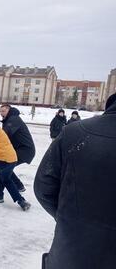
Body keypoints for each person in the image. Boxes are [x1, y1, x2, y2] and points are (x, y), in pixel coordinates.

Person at [34, 93, 116, 269]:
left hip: (70, 254)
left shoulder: (74, 131)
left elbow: (43, 187)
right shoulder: (73, 130)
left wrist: (71, 219)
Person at [0, 104, 35, 202]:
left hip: (25, 150)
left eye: (3, 111)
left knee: (2, 164)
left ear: (9, 110)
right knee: (6, 166)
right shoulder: (9, 119)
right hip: (20, 150)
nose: (1, 113)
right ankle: (19, 186)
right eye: (0, 111)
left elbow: (5, 134)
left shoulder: (13, 119)